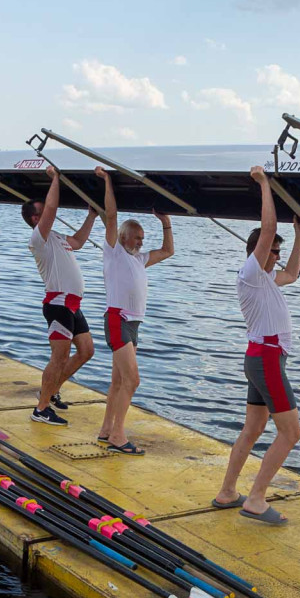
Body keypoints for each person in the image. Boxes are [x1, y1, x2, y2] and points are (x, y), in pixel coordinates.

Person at [212, 166, 300, 524]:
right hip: (265, 358)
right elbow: (267, 229)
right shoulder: (250, 273)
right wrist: (265, 184)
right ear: (256, 252)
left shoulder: (267, 278)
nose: (277, 255)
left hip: (261, 357)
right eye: (273, 250)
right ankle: (255, 499)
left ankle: (227, 492)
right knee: (291, 432)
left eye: (279, 250)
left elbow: (294, 273)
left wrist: (299, 236)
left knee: (253, 430)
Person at [95, 166, 175, 454]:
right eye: (137, 237)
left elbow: (168, 252)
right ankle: (118, 436)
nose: (141, 241)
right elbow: (112, 216)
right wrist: (107, 182)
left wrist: (165, 222)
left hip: (133, 324)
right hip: (118, 319)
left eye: (142, 237)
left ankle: (106, 429)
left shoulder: (140, 259)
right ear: (124, 237)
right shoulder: (114, 252)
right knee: (133, 380)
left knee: (118, 380)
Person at [23, 165, 98, 425]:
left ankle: (52, 390)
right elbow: (52, 209)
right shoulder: (38, 238)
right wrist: (55, 179)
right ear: (35, 218)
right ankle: (41, 409)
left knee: (87, 351)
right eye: (42, 211)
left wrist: (92, 217)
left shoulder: (55, 237)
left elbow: (77, 242)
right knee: (59, 357)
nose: (48, 212)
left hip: (73, 305)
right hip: (58, 304)